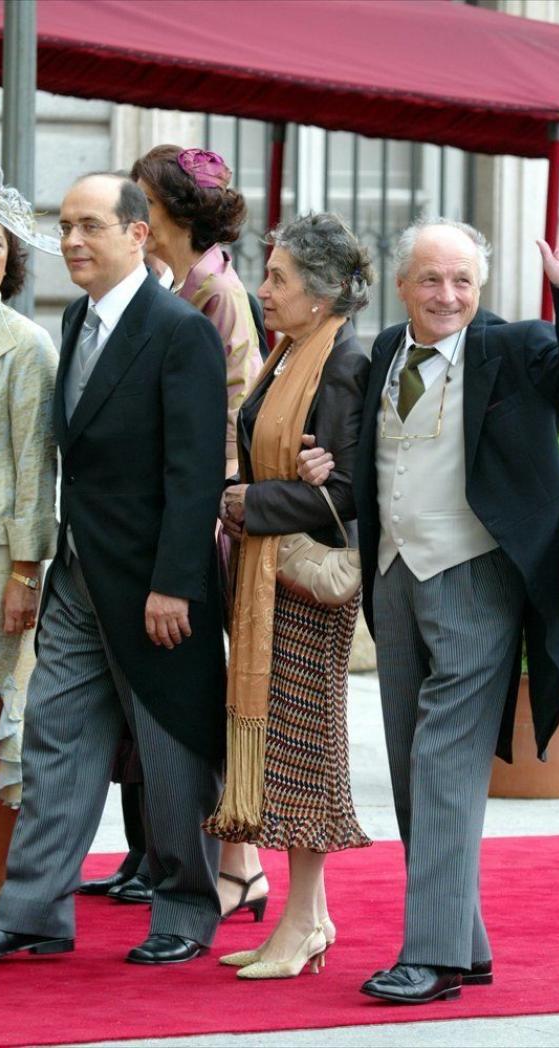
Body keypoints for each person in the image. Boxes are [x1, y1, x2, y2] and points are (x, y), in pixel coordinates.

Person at [297, 208, 559, 1003]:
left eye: (463, 280)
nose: (448, 294)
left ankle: (433, 957)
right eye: (432, 278)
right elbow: (379, 456)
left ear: (481, 288)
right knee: (413, 764)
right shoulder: (380, 353)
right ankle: (464, 942)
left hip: (477, 574)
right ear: (403, 284)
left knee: (444, 759)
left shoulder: (515, 349)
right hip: (397, 575)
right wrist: (325, 464)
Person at [0, 172, 228, 965]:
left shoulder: (180, 330)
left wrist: (174, 583)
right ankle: (33, 914)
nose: (74, 241)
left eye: (91, 226)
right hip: (81, 579)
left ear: (137, 234)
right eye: (66, 225)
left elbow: (195, 474)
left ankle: (185, 912)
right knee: (52, 739)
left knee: (170, 751)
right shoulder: (78, 317)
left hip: (156, 588)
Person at [82, 144, 267, 917]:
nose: (134, 211)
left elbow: (221, 420)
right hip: (161, 504)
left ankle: (228, 859)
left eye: (143, 201)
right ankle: (153, 851)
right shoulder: (173, 283)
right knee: (142, 686)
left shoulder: (214, 292)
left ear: (169, 215)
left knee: (182, 685)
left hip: (203, 511)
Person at [204, 212, 374, 979]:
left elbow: (345, 491)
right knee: (287, 755)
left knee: (305, 759)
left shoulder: (341, 361)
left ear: (323, 294)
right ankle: (312, 918)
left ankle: (302, 924)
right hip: (269, 578)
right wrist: (253, 495)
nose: (262, 289)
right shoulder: (291, 349)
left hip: (304, 588)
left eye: (278, 279)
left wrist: (250, 505)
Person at [0, 175, 60, 934]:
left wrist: (26, 572)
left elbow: (38, 469)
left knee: (2, 731)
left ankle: (8, 888)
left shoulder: (28, 345)